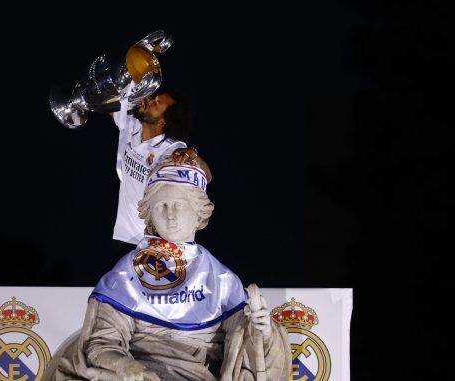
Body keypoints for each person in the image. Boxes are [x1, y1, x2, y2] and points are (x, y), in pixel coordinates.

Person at [44, 159, 292, 381]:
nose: (170, 215)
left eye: (178, 205)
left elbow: (248, 347)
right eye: (161, 206)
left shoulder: (221, 280)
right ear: (149, 213)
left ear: (198, 214)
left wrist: (263, 331)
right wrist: (126, 367)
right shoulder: (126, 274)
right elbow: (101, 343)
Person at [110, 82, 212, 247]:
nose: (150, 101)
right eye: (153, 99)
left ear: (163, 121)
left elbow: (207, 176)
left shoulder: (171, 148)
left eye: (157, 103)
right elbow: (110, 105)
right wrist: (133, 100)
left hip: (155, 238)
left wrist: (192, 153)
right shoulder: (133, 127)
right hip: (126, 235)